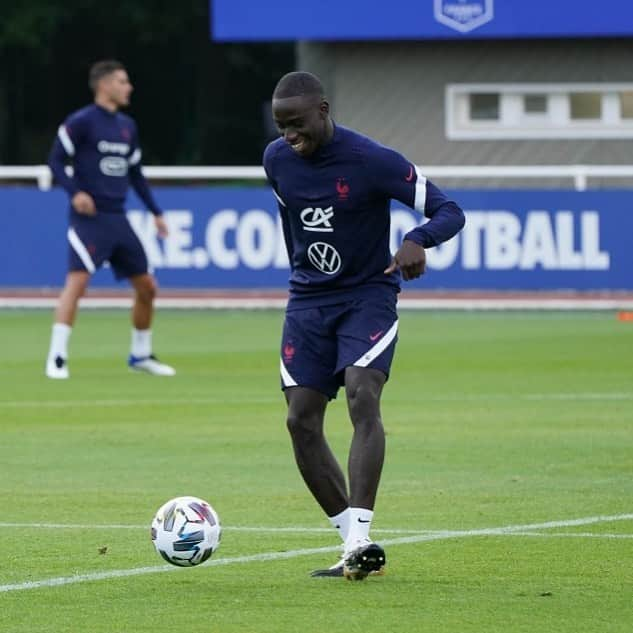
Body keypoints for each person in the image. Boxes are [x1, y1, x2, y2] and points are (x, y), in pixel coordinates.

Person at [263, 71, 465, 580]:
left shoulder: (373, 160)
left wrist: (419, 239)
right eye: (281, 125)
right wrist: (304, 281)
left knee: (361, 394)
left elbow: (449, 209)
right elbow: (293, 225)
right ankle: (352, 542)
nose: (290, 135)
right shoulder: (276, 161)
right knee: (299, 421)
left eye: (298, 123)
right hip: (308, 303)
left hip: (367, 297)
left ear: (324, 109)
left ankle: (360, 537)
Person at [45, 59, 175, 379]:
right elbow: (56, 160)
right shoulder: (82, 122)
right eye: (123, 81)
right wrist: (75, 192)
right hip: (89, 219)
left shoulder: (128, 126)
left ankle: (141, 354)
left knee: (148, 287)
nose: (129, 87)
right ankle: (57, 357)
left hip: (119, 218)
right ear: (104, 85)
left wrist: (156, 212)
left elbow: (136, 174)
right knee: (77, 284)